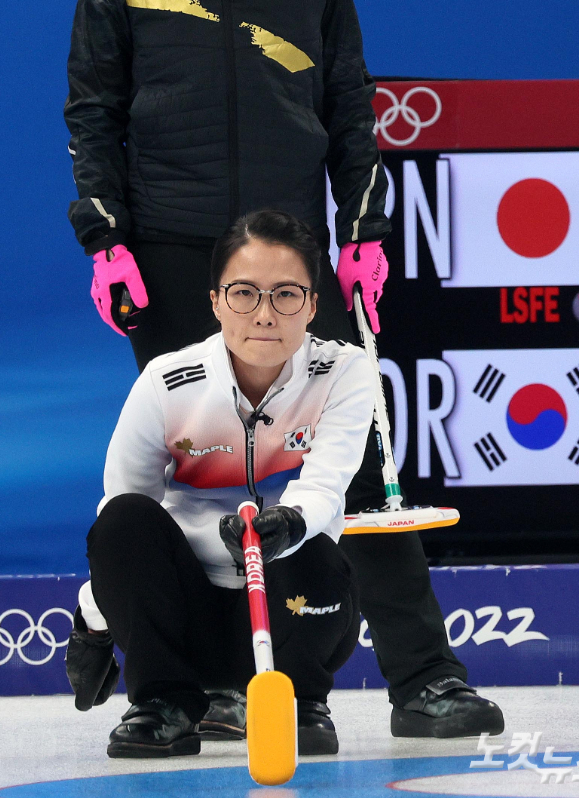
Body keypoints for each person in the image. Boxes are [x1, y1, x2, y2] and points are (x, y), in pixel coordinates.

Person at [64, 0, 503, 740]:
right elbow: (91, 119)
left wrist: (362, 232)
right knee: (199, 478)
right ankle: (205, 683)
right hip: (178, 262)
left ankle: (423, 679)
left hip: (295, 263)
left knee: (351, 465)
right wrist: (108, 244)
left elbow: (351, 109)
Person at [66, 211, 370, 757]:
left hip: (288, 609)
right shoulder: (167, 381)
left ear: (313, 306)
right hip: (185, 623)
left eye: (286, 295)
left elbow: (328, 482)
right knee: (124, 517)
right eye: (244, 293)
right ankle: (164, 703)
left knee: (318, 550)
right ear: (214, 302)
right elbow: (121, 525)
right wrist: (97, 614)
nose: (265, 314)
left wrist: (291, 524)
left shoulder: (346, 371)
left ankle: (301, 699)